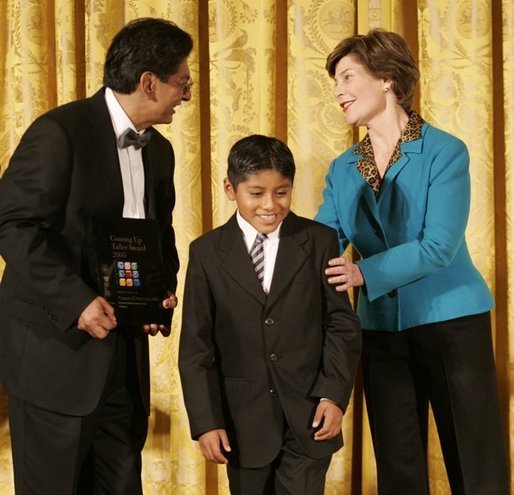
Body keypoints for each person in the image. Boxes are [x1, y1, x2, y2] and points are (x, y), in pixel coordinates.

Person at [0, 18, 193, 494]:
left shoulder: (160, 153)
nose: (186, 96)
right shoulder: (59, 132)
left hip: (123, 364)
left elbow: (159, 235)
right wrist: (77, 302)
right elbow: (14, 226)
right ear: (149, 82)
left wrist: (158, 292)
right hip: (54, 358)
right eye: (182, 83)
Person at [315, 29, 509, 494]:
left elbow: (438, 246)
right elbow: (320, 243)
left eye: (347, 77)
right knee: (397, 465)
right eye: (334, 82)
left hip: (452, 321)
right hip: (380, 328)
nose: (338, 91)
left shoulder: (445, 151)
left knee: (473, 461)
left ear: (385, 78)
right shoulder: (343, 168)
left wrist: (362, 272)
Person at [178, 134, 361, 495]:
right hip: (241, 425)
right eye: (256, 193)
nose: (270, 205)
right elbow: (196, 346)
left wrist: (333, 395)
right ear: (231, 189)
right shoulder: (206, 253)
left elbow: (341, 325)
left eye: (281, 192)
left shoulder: (320, 241)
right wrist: (206, 422)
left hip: (309, 417)